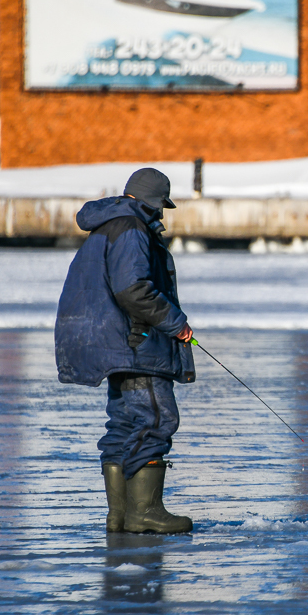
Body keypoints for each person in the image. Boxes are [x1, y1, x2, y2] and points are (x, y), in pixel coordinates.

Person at [54, 168, 196, 534]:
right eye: (161, 205)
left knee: (125, 425)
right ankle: (145, 512)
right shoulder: (132, 229)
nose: (162, 214)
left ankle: (120, 515)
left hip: (112, 341)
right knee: (155, 419)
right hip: (136, 342)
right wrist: (175, 322)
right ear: (152, 201)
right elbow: (132, 289)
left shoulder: (108, 225)